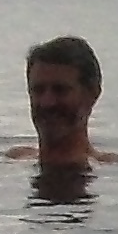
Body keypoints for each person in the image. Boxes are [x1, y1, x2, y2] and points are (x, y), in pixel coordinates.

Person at [19, 35, 106, 169]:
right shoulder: (12, 159)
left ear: (92, 94)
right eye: (38, 90)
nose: (47, 103)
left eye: (60, 90)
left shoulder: (116, 170)